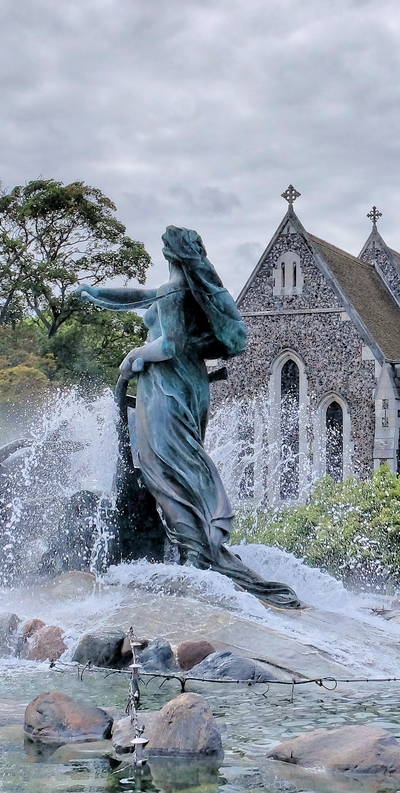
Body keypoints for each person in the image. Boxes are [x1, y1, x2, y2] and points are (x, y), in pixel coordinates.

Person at [76, 226, 303, 609]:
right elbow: (140, 296)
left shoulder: (175, 295)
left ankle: (198, 552)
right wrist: (96, 294)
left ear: (167, 254)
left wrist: (135, 356)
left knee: (163, 467)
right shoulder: (186, 292)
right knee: (180, 463)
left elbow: (170, 343)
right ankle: (196, 547)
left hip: (165, 390)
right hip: (191, 386)